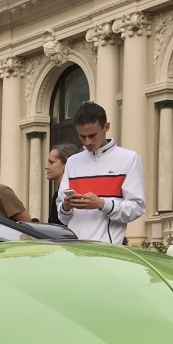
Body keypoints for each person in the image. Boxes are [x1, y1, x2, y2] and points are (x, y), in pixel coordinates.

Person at [57, 101, 146, 244]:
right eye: (82, 136)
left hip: (106, 251)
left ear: (106, 127)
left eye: (92, 135)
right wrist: (66, 207)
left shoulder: (129, 159)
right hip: (74, 250)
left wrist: (101, 204)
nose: (87, 142)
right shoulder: (73, 162)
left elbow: (137, 208)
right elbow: (63, 216)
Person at [44, 143, 81, 224]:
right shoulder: (56, 195)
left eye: (51, 162)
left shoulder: (79, 194)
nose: (46, 166)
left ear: (66, 165)